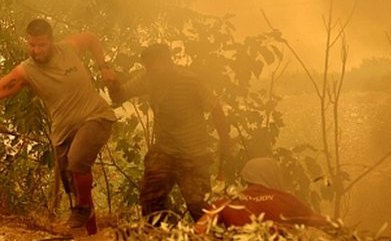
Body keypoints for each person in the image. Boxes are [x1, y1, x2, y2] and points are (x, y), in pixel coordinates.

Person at [0, 18, 117, 234]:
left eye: (42, 45)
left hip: (96, 117)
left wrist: (104, 67)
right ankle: (91, 235)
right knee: (75, 183)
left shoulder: (69, 48)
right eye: (32, 45)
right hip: (63, 131)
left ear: (51, 41)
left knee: (77, 161)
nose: (36, 50)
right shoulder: (26, 71)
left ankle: (83, 209)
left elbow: (91, 38)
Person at [109, 43, 230, 222]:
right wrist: (113, 83)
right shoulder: (148, 78)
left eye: (154, 66)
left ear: (167, 61)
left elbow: (216, 110)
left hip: (193, 153)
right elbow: (119, 96)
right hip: (164, 150)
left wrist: (224, 145)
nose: (151, 71)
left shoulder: (191, 81)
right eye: (147, 67)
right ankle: (156, 235)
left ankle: (213, 237)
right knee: (150, 199)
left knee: (199, 207)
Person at [195, 157, 328, 231]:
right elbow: (321, 222)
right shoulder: (285, 199)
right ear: (273, 175)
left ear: (246, 178)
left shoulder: (227, 202)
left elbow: (199, 229)